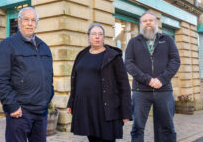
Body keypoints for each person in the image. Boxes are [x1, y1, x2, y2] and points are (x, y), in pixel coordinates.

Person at [0, 7, 54, 142]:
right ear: (19, 21)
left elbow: (48, 76)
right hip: (20, 111)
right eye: (26, 19)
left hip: (41, 111)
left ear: (37, 23)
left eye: (33, 20)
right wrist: (12, 106)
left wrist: (48, 97)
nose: (30, 23)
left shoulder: (44, 47)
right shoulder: (7, 45)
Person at [67, 23, 132, 142]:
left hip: (106, 109)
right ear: (88, 37)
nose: (97, 37)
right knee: (92, 138)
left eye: (100, 34)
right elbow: (75, 81)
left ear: (103, 37)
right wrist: (71, 102)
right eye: (94, 34)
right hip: (86, 108)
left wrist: (126, 112)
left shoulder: (113, 56)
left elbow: (124, 85)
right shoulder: (82, 55)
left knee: (107, 139)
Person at [125, 12, 180, 142]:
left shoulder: (167, 40)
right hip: (140, 91)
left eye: (151, 20)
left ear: (156, 23)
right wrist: (147, 79)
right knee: (137, 127)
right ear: (141, 24)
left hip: (164, 90)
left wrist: (162, 79)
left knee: (167, 127)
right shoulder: (133, 42)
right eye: (145, 21)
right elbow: (129, 63)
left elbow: (175, 61)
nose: (148, 23)